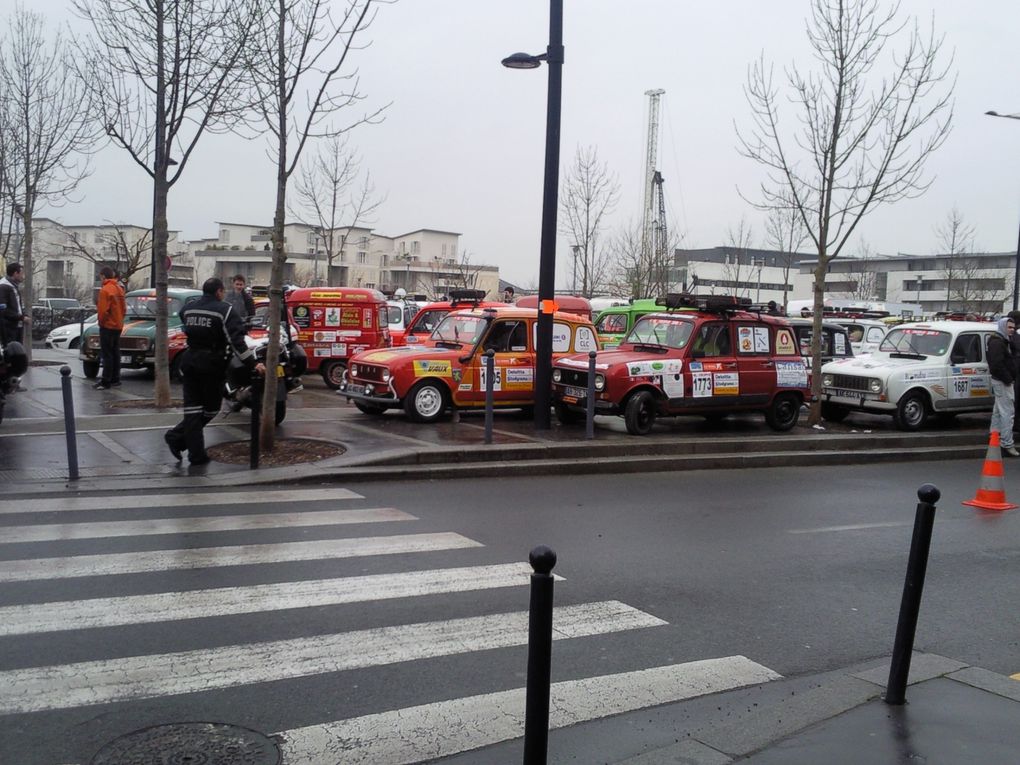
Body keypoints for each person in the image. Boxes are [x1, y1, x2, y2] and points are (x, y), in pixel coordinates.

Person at [164, 277, 265, 465]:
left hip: (190, 362)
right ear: (219, 291)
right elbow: (237, 342)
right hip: (211, 365)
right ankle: (189, 449)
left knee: (193, 410)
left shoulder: (189, 307)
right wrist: (254, 364)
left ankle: (180, 441)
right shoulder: (225, 310)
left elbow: (185, 325)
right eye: (223, 291)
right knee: (210, 409)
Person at [987, 316, 1018, 457]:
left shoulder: (1000, 341)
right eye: (1009, 327)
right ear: (1003, 327)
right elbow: (996, 365)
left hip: (1001, 380)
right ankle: (1007, 443)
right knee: (1007, 413)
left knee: (999, 411)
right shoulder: (998, 343)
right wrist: (1008, 379)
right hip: (1003, 381)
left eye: (1013, 327)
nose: (1012, 330)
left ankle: (994, 435)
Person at [94, 266, 127, 390]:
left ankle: (105, 381)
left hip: (108, 326)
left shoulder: (105, 290)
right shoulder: (119, 289)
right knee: (115, 352)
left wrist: (101, 323)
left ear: (103, 276)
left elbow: (102, 311)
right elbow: (124, 309)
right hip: (118, 325)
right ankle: (115, 378)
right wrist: (119, 319)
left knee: (107, 353)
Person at [0, 262, 28, 344]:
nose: (23, 276)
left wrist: (23, 315)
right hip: (8, 327)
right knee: (11, 351)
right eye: (22, 273)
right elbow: (3, 309)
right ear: (16, 273)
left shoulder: (13, 286)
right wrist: (21, 317)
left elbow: (16, 306)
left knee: (17, 351)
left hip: (16, 326)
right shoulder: (4, 287)